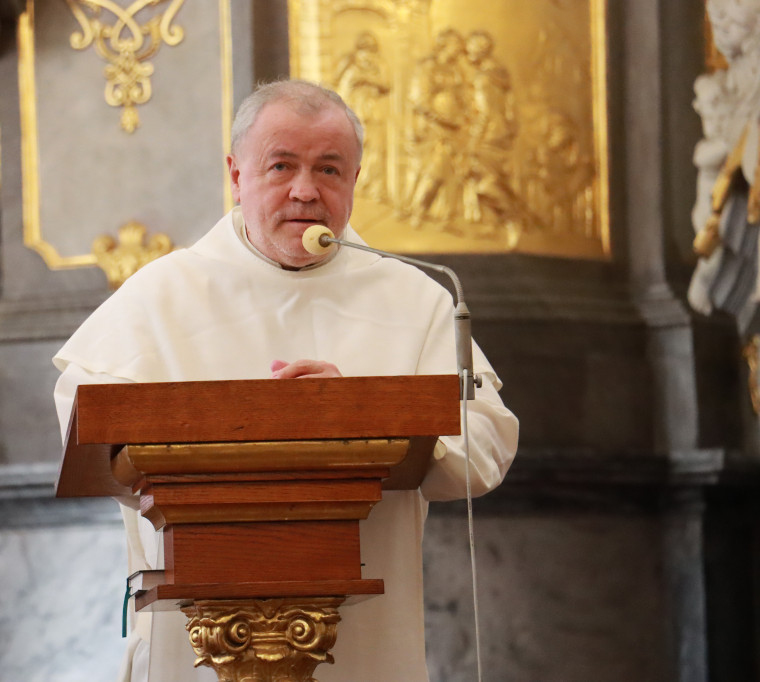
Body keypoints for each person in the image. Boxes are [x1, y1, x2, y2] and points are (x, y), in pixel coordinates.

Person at [53, 79, 519, 682]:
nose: (306, 190)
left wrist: (365, 412)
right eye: (281, 166)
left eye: (329, 169)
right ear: (237, 175)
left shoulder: (414, 298)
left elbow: (488, 442)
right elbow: (83, 419)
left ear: (355, 179)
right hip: (197, 634)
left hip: (365, 640)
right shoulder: (163, 295)